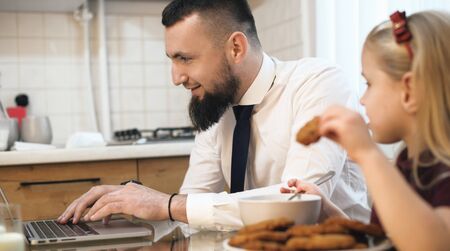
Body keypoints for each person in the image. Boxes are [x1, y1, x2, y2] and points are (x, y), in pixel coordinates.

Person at [58, 0, 369, 231]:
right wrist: (131, 211)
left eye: (185, 58)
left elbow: (300, 205)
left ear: (235, 48)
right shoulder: (215, 105)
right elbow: (191, 207)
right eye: (172, 59)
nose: (176, 77)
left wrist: (165, 204)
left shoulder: (319, 82)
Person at [282, 10, 450, 251]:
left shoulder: (443, 171)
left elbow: (433, 244)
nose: (362, 100)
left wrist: (367, 153)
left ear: (409, 90)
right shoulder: (407, 165)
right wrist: (326, 210)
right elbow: (383, 240)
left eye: (369, 84)